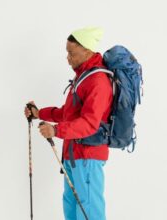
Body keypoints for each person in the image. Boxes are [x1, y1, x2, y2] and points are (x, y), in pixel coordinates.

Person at [25, 27, 113, 220]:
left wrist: (55, 130)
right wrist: (40, 113)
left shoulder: (98, 81)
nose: (68, 57)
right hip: (74, 155)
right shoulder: (82, 78)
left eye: (71, 53)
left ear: (87, 52)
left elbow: (90, 123)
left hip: (88, 155)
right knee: (72, 206)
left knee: (89, 210)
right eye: (67, 52)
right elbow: (68, 113)